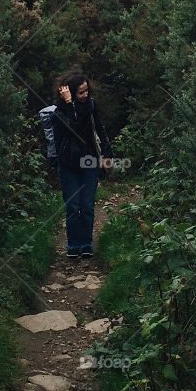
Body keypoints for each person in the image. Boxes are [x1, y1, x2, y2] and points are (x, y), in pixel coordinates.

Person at [52, 68, 113, 259]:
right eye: (81, 92)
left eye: (87, 90)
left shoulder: (91, 106)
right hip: (68, 164)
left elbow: (99, 130)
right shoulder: (59, 111)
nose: (85, 95)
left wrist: (106, 154)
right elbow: (74, 129)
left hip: (89, 161)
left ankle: (86, 244)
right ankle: (73, 245)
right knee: (72, 206)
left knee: (86, 205)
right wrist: (69, 104)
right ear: (69, 92)